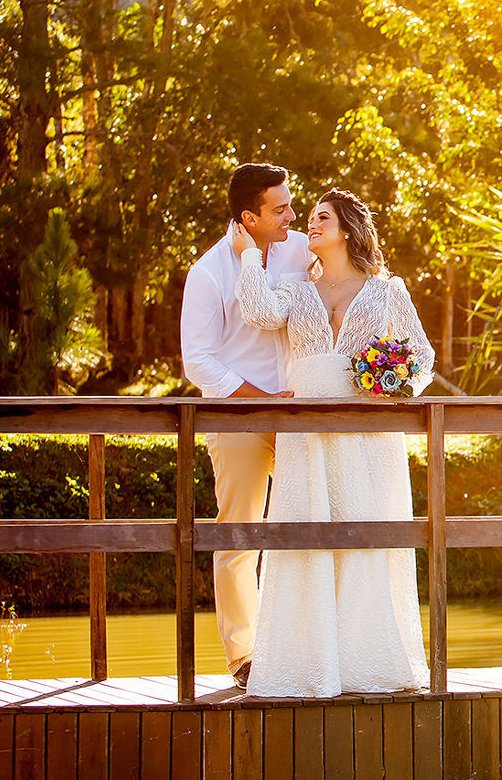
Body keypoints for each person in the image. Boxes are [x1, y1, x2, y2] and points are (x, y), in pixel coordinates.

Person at [233, 187, 432, 697]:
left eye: (322, 217)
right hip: (306, 438)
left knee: (367, 542)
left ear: (346, 229)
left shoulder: (388, 293)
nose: (311, 225)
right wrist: (250, 253)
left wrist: (393, 382)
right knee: (305, 544)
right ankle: (308, 666)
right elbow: (257, 310)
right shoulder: (298, 292)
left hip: (368, 438)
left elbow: (423, 359)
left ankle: (372, 665)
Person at [180, 163, 309, 690]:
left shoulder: (302, 249)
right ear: (247, 217)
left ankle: (308, 643)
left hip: (303, 417)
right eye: (280, 209)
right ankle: (244, 657)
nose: (292, 216)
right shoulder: (209, 272)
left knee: (313, 528)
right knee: (239, 534)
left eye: (290, 205)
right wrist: (262, 402)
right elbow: (199, 361)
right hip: (237, 419)